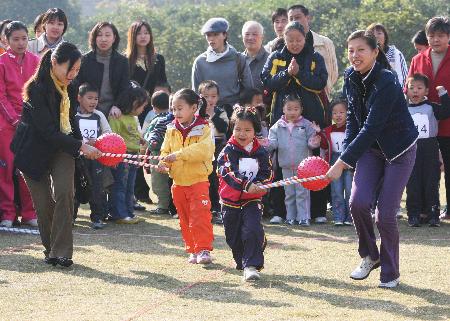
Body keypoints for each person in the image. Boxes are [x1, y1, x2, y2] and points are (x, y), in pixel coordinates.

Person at [326, 30, 418, 288]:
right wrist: (346, 154)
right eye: (351, 50)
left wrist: (342, 162)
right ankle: (369, 255)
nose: (355, 56)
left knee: (385, 215)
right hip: (370, 150)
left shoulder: (387, 81)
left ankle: (390, 273)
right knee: (357, 202)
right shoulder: (350, 77)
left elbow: (372, 127)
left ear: (375, 52)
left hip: (399, 150)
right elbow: (354, 121)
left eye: (361, 50)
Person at [11, 42, 102, 267]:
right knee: (43, 205)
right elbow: (47, 131)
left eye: (77, 70)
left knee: (65, 194)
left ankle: (61, 252)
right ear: (54, 63)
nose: (72, 75)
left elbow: (70, 122)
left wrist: (83, 143)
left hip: (62, 148)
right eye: (69, 69)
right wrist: (80, 146)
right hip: (32, 151)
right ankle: (50, 249)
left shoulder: (70, 87)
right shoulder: (36, 89)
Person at [261, 21, 328, 224]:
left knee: (314, 162)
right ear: (284, 39)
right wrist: (287, 73)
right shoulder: (276, 56)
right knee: (281, 165)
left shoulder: (315, 57)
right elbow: (267, 82)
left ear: (305, 37)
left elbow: (320, 82)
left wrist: (300, 73)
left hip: (311, 118)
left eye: (299, 39)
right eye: (290, 40)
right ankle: (280, 211)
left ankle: (317, 211)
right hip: (282, 118)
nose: (295, 44)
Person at [157, 88, 215, 265]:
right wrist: (163, 163)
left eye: (180, 108)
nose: (176, 113)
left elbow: (205, 150)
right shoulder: (171, 129)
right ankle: (192, 249)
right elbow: (165, 151)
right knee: (185, 219)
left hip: (198, 181)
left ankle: (204, 249)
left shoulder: (204, 127)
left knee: (200, 217)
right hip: (178, 182)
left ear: (194, 107)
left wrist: (179, 154)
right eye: (173, 109)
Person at [217, 106, 273, 281]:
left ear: (255, 131)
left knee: (251, 229)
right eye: (238, 129)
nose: (242, 133)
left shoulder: (261, 152)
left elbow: (268, 173)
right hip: (229, 202)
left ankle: (252, 265)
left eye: (247, 130)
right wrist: (245, 184)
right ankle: (243, 260)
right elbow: (228, 173)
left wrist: (262, 185)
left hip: (252, 200)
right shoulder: (227, 151)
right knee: (233, 238)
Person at [407, 17, 450, 220]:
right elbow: (409, 86)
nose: (435, 39)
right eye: (431, 35)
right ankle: (424, 210)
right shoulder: (418, 59)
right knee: (424, 169)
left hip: (448, 122)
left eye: (440, 35)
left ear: (448, 37)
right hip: (422, 125)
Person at [0, 21, 40, 228]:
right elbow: (1, 96)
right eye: (15, 39)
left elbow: (39, 93)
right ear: (6, 40)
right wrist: (15, 119)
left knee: (28, 168)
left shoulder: (36, 61)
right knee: (6, 170)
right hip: (7, 126)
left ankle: (30, 213)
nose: (21, 43)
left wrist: (31, 119)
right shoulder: (1, 63)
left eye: (24, 38)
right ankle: (7, 213)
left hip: (31, 124)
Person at [126, 20, 167, 207]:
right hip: (132, 110)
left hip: (152, 111)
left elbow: (162, 84)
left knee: (150, 150)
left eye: (146, 32)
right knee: (133, 150)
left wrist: (159, 107)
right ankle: (139, 191)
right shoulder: (125, 60)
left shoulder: (158, 59)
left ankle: (157, 193)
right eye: (139, 33)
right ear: (132, 36)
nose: (143, 36)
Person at [267, 95, 320, 226]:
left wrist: (314, 141)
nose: (292, 112)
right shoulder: (277, 126)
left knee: (303, 193)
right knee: (289, 193)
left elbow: (312, 142)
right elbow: (272, 143)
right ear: (283, 109)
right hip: (285, 166)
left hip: (303, 167)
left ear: (301, 109)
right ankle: (290, 216)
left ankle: (304, 217)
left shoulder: (307, 124)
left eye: (296, 109)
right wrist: (265, 144)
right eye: (289, 109)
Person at [405, 74, 450, 227]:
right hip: (411, 150)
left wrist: (443, 94)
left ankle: (433, 215)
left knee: (431, 182)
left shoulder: (431, 107)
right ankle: (414, 215)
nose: (415, 92)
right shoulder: (403, 109)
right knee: (413, 183)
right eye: (412, 88)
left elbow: (446, 111)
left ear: (426, 91)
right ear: (407, 90)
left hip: (430, 148)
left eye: (419, 88)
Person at [108, 81, 148, 224]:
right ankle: (119, 214)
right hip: (122, 158)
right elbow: (113, 137)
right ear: (133, 102)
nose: (143, 109)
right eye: (142, 105)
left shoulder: (132, 117)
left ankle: (129, 213)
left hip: (133, 156)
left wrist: (141, 140)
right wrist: (117, 157)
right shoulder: (117, 116)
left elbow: (133, 134)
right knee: (120, 186)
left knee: (130, 187)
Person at [74, 83, 112, 229]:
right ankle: (71, 217)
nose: (93, 102)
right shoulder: (73, 115)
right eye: (89, 98)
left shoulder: (99, 115)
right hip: (77, 159)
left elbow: (108, 133)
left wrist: (97, 141)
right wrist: (82, 144)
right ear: (79, 98)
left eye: (96, 98)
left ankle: (97, 217)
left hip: (96, 159)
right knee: (75, 187)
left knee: (97, 188)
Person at [192, 17, 253, 107]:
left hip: (234, 112)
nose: (211, 39)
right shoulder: (200, 62)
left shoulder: (238, 58)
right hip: (208, 113)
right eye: (208, 35)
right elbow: (196, 94)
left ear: (225, 35)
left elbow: (249, 89)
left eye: (216, 34)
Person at [75, 22, 130, 119]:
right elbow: (77, 85)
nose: (103, 39)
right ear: (94, 38)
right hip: (86, 110)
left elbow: (124, 88)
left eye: (107, 35)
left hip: (113, 112)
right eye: (99, 35)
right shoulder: (85, 60)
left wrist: (117, 106)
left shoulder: (122, 61)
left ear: (114, 38)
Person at [287, 4, 338, 99]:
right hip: (291, 101)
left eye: (297, 17)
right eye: (291, 19)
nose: (294, 21)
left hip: (320, 96)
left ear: (308, 18)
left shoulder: (325, 43)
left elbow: (333, 73)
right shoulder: (283, 45)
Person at [198, 80, 229, 223]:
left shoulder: (221, 112)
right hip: (200, 148)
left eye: (213, 96)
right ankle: (203, 207)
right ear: (200, 97)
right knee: (203, 179)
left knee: (215, 178)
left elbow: (224, 128)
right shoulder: (196, 112)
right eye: (206, 96)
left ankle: (217, 208)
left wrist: (213, 115)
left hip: (217, 147)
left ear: (218, 97)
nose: (210, 100)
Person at [319, 99, 353, 226]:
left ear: (347, 113)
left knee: (350, 190)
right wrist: (318, 133)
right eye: (334, 113)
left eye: (341, 112)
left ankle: (350, 217)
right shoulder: (328, 130)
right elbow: (323, 144)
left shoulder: (351, 129)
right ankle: (338, 217)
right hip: (333, 161)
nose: (338, 115)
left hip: (349, 160)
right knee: (336, 190)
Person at [143, 90, 171, 215]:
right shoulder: (173, 118)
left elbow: (151, 137)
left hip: (157, 155)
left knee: (159, 181)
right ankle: (171, 204)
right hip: (171, 154)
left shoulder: (157, 120)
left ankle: (163, 205)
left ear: (153, 107)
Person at [366, 23, 408, 87]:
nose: (376, 36)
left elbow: (403, 78)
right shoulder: (364, 55)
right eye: (372, 34)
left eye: (379, 33)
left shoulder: (396, 54)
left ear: (385, 36)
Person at [241, 21, 269, 92]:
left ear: (262, 37)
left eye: (254, 34)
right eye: (247, 34)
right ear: (242, 37)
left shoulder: (270, 59)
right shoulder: (238, 60)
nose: (250, 37)